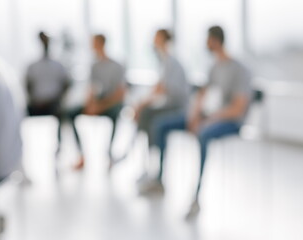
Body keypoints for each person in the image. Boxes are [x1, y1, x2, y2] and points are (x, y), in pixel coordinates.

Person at [145, 26, 252, 218]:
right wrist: (194, 114)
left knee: (203, 134)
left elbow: (237, 108)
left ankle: (196, 195)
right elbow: (203, 94)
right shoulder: (214, 67)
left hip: (230, 121)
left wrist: (210, 118)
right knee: (160, 124)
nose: (205, 44)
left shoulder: (239, 69)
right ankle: (159, 179)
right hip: (208, 116)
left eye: (207, 40)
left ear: (215, 41)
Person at [133, 29, 190, 181]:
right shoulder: (164, 61)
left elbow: (162, 89)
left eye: (156, 38)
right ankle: (146, 162)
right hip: (168, 104)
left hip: (177, 107)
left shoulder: (170, 62)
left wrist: (142, 103)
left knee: (153, 120)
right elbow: (158, 88)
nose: (153, 41)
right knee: (145, 115)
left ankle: (154, 169)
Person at [69, 34, 126, 170]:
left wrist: (100, 107)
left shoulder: (117, 66)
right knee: (70, 113)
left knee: (115, 114)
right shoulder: (94, 66)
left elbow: (119, 94)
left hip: (111, 103)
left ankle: (110, 154)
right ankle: (81, 155)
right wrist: (90, 105)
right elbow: (92, 89)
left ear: (101, 44)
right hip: (98, 103)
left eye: (93, 43)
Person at [25, 31, 71, 156]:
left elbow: (66, 84)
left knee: (63, 114)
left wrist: (57, 99)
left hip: (53, 104)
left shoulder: (58, 65)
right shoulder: (32, 66)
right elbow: (28, 86)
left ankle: (60, 146)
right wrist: (34, 100)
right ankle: (22, 148)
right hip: (36, 104)